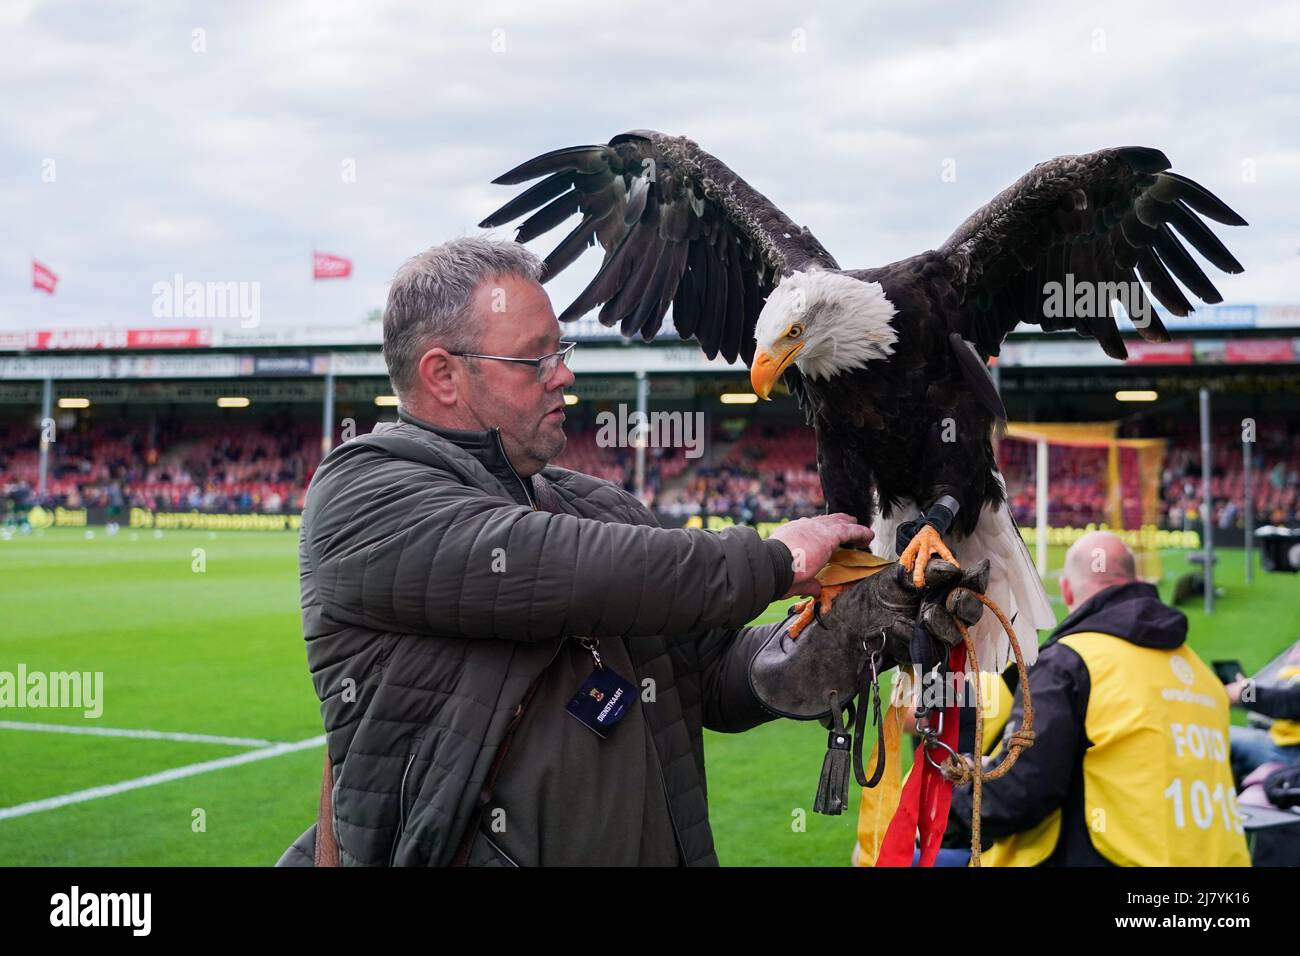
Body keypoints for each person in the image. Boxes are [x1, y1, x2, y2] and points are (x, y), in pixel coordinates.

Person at [278, 237, 959, 867]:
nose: (562, 376)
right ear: (443, 376)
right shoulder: (362, 491)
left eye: (562, 350)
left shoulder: (594, 505)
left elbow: (712, 666)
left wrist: (861, 625)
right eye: (535, 358)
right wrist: (776, 560)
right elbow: (550, 566)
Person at [945, 531, 1249, 866]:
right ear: (1137, 581)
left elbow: (1015, 798)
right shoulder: (1201, 675)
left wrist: (961, 784)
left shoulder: (1070, 663)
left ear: (1066, 591)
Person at [1225, 645, 1300, 782]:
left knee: (1217, 735)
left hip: (1291, 755)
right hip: (1282, 743)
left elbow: (1289, 703)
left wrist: (1244, 693)